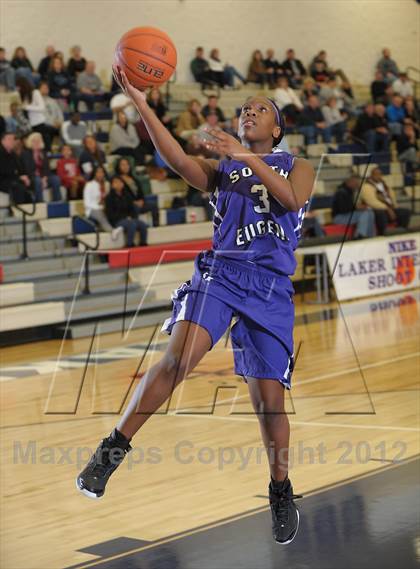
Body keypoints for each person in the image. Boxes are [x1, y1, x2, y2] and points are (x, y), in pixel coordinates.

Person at [77, 64, 316, 547]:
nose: (249, 112)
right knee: (179, 358)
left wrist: (244, 153)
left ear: (278, 128)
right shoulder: (223, 168)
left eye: (260, 109)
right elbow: (175, 162)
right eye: (245, 109)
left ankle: (280, 489)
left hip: (270, 287)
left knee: (270, 404)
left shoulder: (298, 166)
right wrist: (142, 104)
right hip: (222, 272)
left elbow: (291, 201)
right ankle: (112, 449)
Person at [360, 167, 411, 235]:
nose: (379, 176)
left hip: (388, 207)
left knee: (405, 212)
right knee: (381, 214)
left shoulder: (384, 184)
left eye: (380, 174)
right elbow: (372, 202)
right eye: (376, 174)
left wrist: (394, 206)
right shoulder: (366, 186)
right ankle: (383, 233)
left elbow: (391, 197)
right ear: (371, 175)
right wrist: (387, 208)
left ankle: (400, 231)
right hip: (375, 209)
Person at [105, 175, 149, 246]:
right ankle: (129, 244)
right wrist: (125, 218)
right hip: (117, 220)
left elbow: (132, 208)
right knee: (132, 224)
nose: (118, 184)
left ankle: (143, 243)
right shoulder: (109, 198)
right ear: (112, 185)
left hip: (129, 218)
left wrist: (131, 217)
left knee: (143, 225)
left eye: (120, 182)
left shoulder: (127, 195)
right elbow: (110, 214)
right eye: (116, 182)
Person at [115, 156, 159, 226]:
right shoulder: (117, 179)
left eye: (127, 164)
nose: (125, 167)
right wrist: (133, 202)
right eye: (123, 165)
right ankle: (136, 226)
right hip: (128, 205)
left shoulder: (133, 178)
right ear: (118, 166)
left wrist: (142, 200)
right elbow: (122, 195)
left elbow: (140, 192)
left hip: (139, 202)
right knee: (135, 208)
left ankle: (156, 226)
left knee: (153, 205)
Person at [22, 132, 62, 202]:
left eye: (39, 141)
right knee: (37, 180)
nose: (37, 143)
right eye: (34, 141)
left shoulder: (44, 153)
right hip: (32, 178)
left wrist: (44, 178)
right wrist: (40, 179)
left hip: (43, 177)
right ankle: (39, 202)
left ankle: (57, 201)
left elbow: (47, 169)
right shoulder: (25, 154)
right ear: (30, 142)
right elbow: (28, 170)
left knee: (56, 178)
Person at [83, 166, 121, 237]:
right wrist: (100, 207)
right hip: (92, 209)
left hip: (105, 207)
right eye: (98, 172)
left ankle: (120, 225)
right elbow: (87, 203)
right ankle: (112, 231)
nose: (100, 174)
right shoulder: (89, 185)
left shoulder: (107, 184)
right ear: (94, 173)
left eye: (102, 172)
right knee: (100, 213)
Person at [0, 132, 31, 203]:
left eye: (13, 139)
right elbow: (4, 172)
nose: (12, 141)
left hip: (12, 179)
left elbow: (21, 169)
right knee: (18, 187)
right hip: (2, 181)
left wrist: (25, 176)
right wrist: (19, 177)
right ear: (2, 141)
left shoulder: (13, 154)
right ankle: (20, 210)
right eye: (9, 139)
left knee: (30, 183)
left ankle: (30, 208)